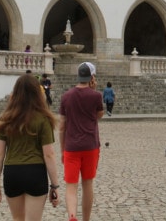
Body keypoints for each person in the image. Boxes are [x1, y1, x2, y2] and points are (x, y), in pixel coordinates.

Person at [0, 74, 61, 220]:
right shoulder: (43, 119)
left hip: (12, 173)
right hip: (35, 172)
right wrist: (55, 185)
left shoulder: (6, 118)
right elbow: (49, 154)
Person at [59, 62, 104, 221]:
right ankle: (86, 219)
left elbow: (62, 126)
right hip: (91, 146)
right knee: (87, 184)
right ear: (91, 77)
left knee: (71, 186)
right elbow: (99, 116)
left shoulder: (66, 97)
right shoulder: (96, 96)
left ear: (78, 76)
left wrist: (62, 149)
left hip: (71, 147)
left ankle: (72, 215)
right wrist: (93, 90)